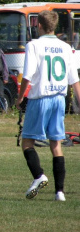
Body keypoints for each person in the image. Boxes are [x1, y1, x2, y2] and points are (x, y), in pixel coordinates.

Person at [16, 10, 80, 201]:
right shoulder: (65, 47)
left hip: (40, 99)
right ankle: (60, 192)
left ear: (39, 25)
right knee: (56, 145)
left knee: (27, 142)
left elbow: (27, 76)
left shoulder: (34, 45)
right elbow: (75, 80)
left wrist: (19, 98)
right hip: (59, 99)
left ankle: (39, 176)